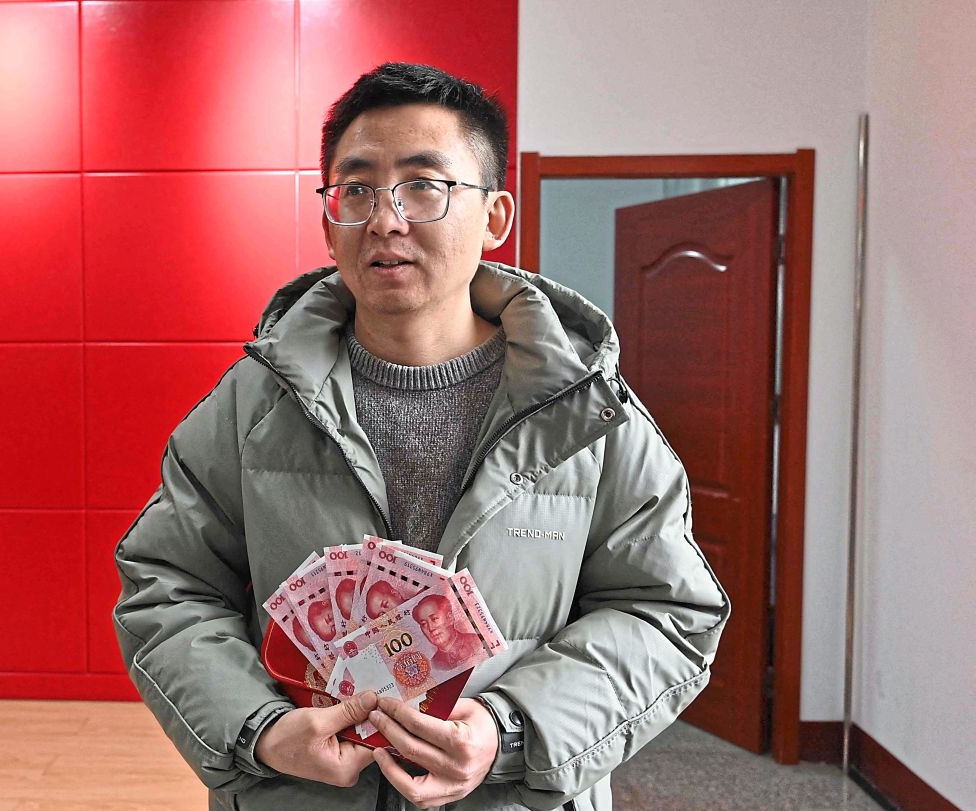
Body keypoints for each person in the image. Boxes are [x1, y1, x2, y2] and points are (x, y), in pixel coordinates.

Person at [114, 62, 729, 811]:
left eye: (424, 185)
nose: (386, 219)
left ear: (496, 216)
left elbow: (667, 612)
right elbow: (165, 586)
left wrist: (509, 730)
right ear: (328, 216)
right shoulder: (254, 403)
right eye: (358, 189)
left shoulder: (591, 413)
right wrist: (260, 728)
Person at [411, 593, 483, 672]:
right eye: (424, 624)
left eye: (434, 619)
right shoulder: (434, 665)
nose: (431, 628)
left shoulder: (478, 642)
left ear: (450, 617)